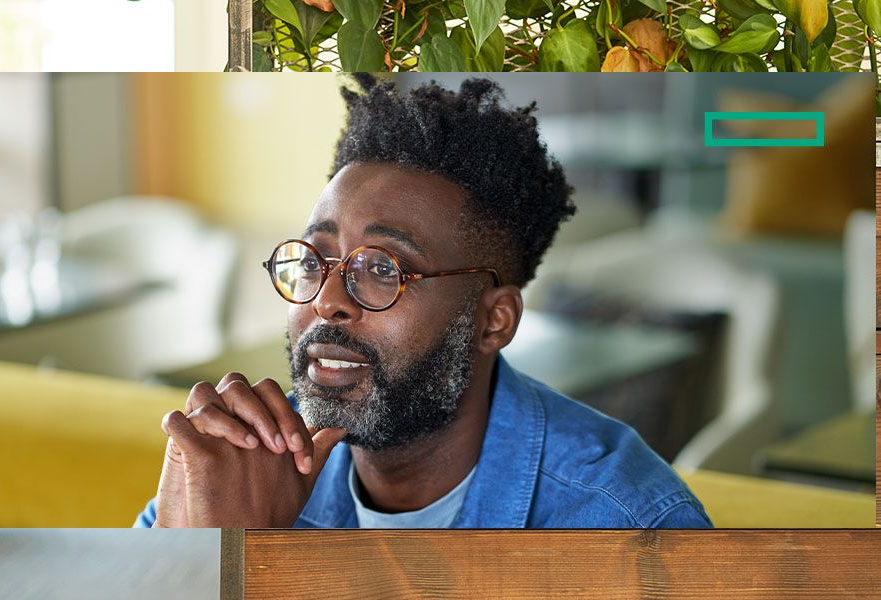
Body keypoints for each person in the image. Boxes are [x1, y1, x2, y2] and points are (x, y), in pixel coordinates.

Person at [135, 74, 712, 528]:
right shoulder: (231, 470)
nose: (328, 299)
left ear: (494, 320)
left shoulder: (625, 526)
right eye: (315, 260)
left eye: (384, 269)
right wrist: (198, 552)